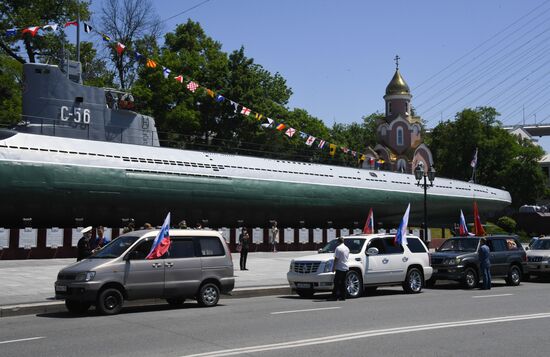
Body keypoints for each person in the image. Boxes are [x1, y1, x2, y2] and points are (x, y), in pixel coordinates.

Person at [330, 236, 350, 301]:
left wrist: (333, 267)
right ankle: (343, 296)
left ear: (338, 241)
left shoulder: (338, 248)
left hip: (340, 267)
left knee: (336, 282)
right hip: (346, 267)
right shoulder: (347, 248)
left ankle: (334, 297)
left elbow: (336, 259)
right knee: (343, 282)